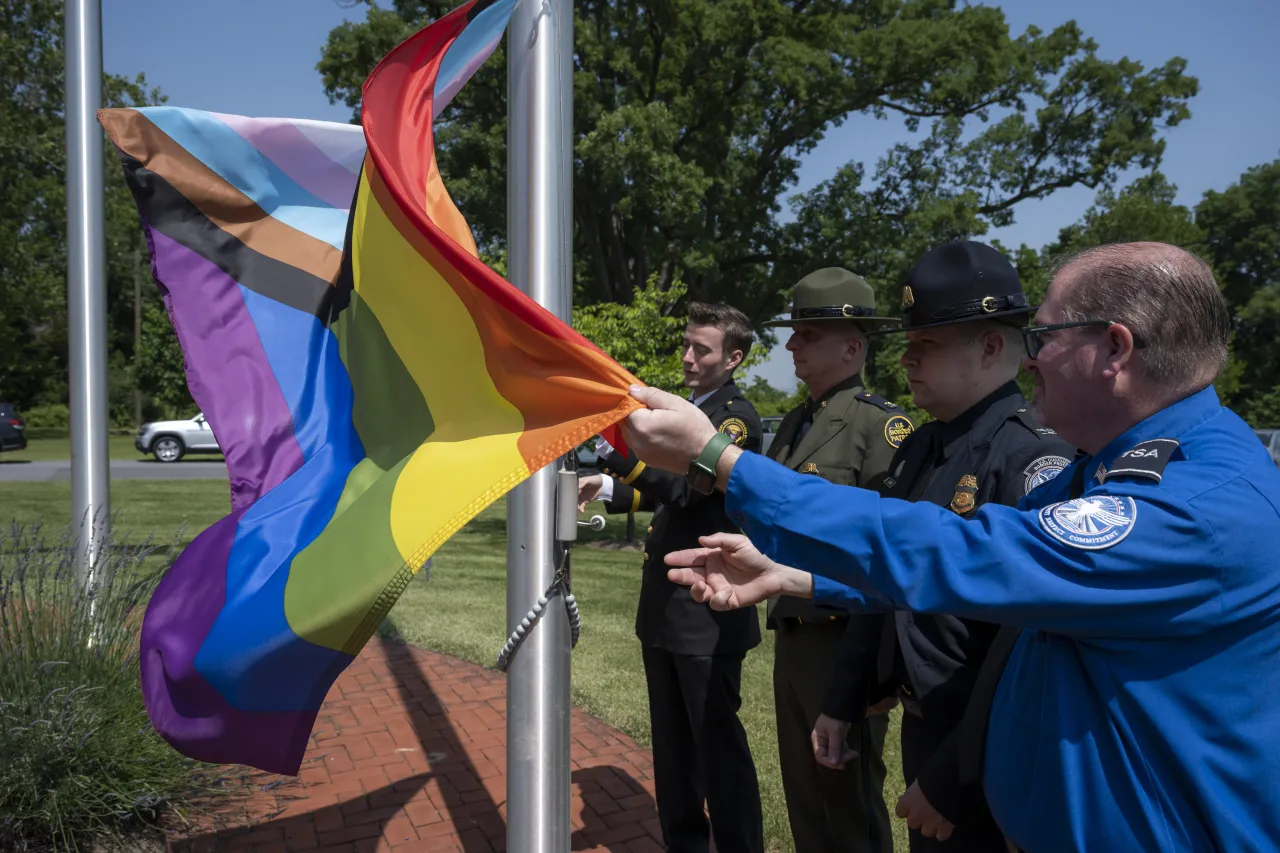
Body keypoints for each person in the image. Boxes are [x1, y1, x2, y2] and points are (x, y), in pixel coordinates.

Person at [619, 241, 1280, 853]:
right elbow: (990, 579)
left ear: (1114, 348)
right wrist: (797, 579)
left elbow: (963, 554)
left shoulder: (1190, 506)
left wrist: (720, 457)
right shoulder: (1113, 467)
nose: (1029, 360)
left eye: (1044, 338)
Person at [806, 242, 1074, 852]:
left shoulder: (1034, 458)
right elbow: (886, 574)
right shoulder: (922, 446)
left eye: (926, 344)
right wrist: (846, 697)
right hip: (925, 721)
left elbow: (1023, 647)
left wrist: (955, 780)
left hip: (987, 744)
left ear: (986, 346)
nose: (905, 359)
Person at [577, 301, 764, 853]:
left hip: (707, 610)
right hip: (667, 610)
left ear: (732, 358)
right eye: (686, 344)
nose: (685, 357)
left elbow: (687, 489)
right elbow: (665, 494)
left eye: (700, 349)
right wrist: (613, 489)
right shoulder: (690, 407)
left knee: (716, 751)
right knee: (674, 753)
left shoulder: (733, 420)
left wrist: (613, 454)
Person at [759, 267, 909, 853]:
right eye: (794, 332)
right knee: (805, 799)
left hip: (846, 639)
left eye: (807, 334)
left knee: (849, 809)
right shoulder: (797, 422)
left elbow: (889, 550)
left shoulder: (881, 426)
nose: (792, 344)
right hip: (793, 632)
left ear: (852, 345)